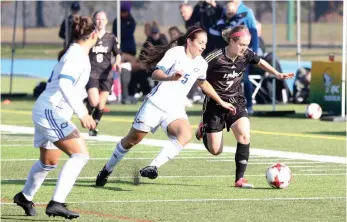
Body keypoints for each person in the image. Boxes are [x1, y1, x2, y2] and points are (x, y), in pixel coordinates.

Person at [95, 26, 236, 186]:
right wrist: (170, 77)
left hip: (175, 109)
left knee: (185, 135)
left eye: (205, 43)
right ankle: (107, 169)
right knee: (132, 140)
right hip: (155, 104)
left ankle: (153, 166)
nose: (203, 46)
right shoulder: (174, 53)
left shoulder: (201, 63)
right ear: (189, 41)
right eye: (200, 42)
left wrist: (221, 101)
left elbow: (203, 83)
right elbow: (156, 74)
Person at [13, 15, 97, 219]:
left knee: (48, 162)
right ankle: (56, 203)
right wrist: (82, 112)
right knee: (81, 155)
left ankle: (25, 196)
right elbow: (65, 85)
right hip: (50, 111)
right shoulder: (76, 55)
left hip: (48, 110)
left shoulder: (78, 53)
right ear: (93, 35)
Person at [195, 26, 294, 188]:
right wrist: (220, 101)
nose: (244, 48)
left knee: (244, 135)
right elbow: (200, 80)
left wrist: (277, 73)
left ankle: (239, 179)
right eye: (241, 45)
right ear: (232, 41)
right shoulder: (214, 57)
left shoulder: (245, 54)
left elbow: (259, 61)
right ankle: (204, 128)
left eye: (247, 45)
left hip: (236, 102)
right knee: (215, 150)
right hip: (215, 105)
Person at [86, 11, 122, 136]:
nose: (100, 21)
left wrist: (117, 63)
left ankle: (93, 127)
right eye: (98, 19)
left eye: (103, 19)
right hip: (92, 73)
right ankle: (86, 113)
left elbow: (118, 54)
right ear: (94, 20)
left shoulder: (111, 38)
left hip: (106, 75)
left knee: (101, 105)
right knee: (94, 102)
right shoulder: (90, 36)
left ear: (106, 21)